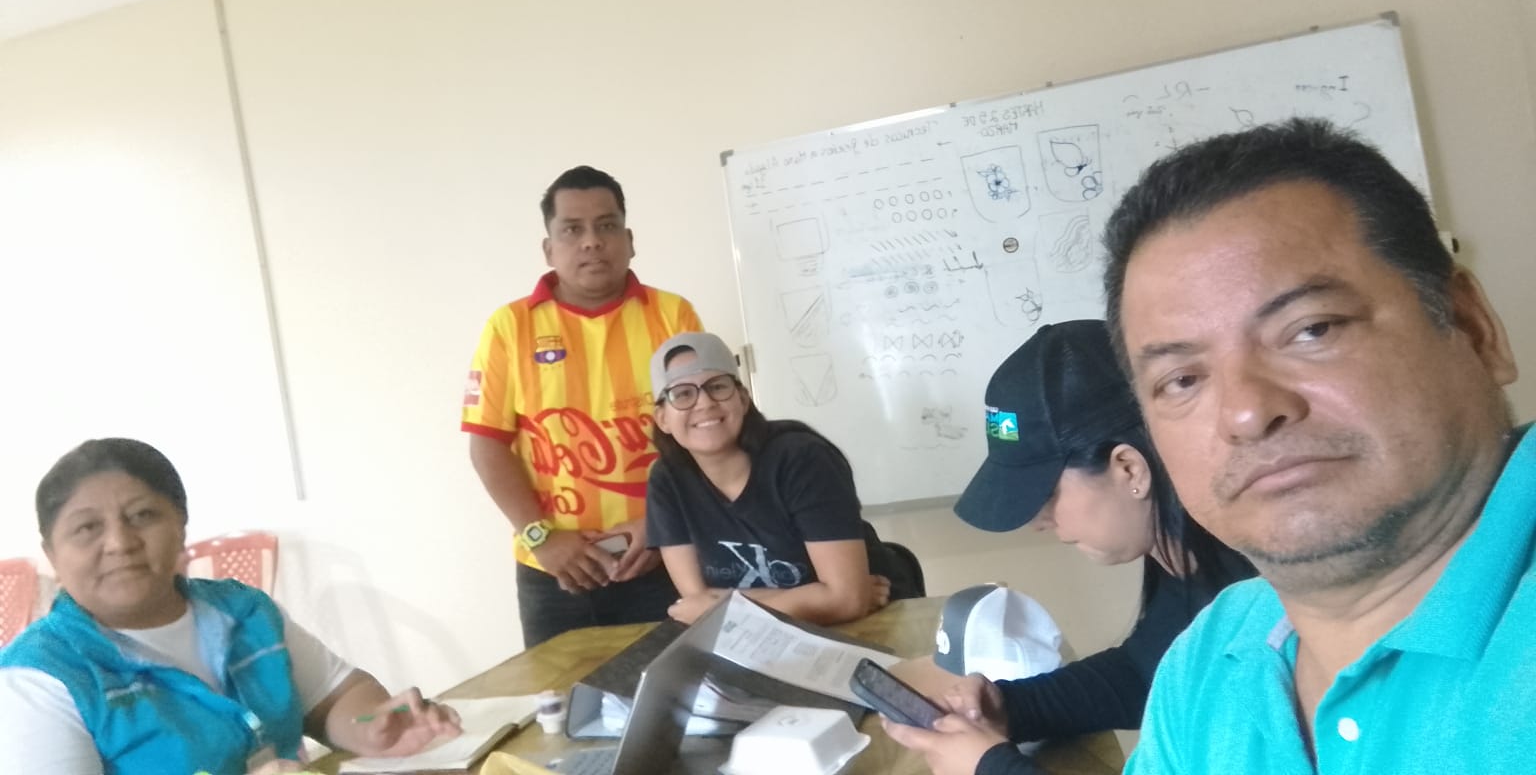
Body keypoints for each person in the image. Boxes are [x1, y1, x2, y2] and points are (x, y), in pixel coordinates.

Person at [1102, 118, 1529, 772]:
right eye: (1182, 380)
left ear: (1473, 328)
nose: (1247, 413)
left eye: (1312, 329)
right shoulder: (1209, 661)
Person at [883, 319, 1254, 775]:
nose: (1038, 521)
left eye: (1047, 493)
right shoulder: (1184, 562)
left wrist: (991, 768)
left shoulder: (1263, 607)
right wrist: (1009, 707)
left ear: (1130, 469)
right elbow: (1144, 673)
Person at [0, 438, 461, 775]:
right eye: (87, 528)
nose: (120, 542)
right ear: (53, 556)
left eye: (143, 515)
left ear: (181, 526)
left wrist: (371, 726)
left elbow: (335, 695)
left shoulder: (244, 613)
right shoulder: (41, 677)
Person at [462, 165, 703, 647]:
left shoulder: (673, 316)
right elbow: (487, 446)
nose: (592, 241)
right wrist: (541, 538)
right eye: (572, 229)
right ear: (549, 249)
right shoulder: (508, 327)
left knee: (675, 689)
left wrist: (660, 526)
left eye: (606, 225)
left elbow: (708, 435)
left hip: (662, 559)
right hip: (554, 575)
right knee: (561, 696)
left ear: (629, 240)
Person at [645, 331, 914, 625]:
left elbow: (847, 602)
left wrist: (722, 606)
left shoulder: (803, 459)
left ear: (743, 400)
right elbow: (697, 600)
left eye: (718, 387)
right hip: (758, 635)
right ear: (663, 419)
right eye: (683, 394)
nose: (705, 403)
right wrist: (819, 598)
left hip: (869, 623)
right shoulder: (667, 480)